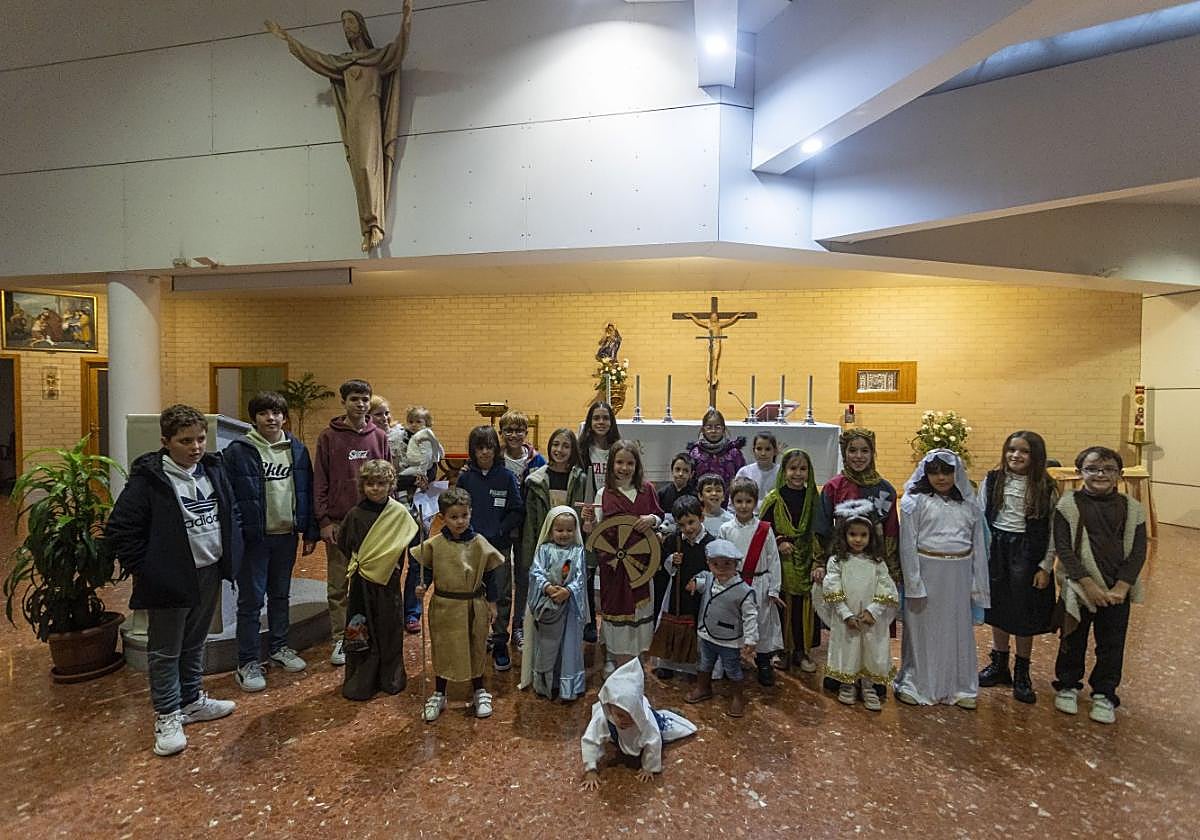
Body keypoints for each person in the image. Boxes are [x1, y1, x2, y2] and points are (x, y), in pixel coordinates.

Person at [105, 404, 243, 757]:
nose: (196, 447)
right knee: (166, 649)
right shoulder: (149, 480)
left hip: (208, 569)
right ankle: (167, 715)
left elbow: (230, 509)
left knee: (195, 641)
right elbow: (121, 529)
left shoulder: (213, 468)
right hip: (170, 576)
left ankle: (191, 700)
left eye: (200, 439)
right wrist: (148, 568)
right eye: (186, 441)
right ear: (166, 441)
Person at [265, 3, 414, 251]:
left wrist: (407, 18)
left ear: (361, 26)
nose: (347, 27)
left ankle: (376, 224)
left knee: (368, 167)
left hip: (370, 117)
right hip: (353, 117)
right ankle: (366, 227)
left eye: (351, 21)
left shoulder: (377, 58)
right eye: (344, 23)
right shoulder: (342, 62)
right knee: (358, 169)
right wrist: (287, 39)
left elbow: (400, 47)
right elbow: (315, 59)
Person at [225, 391, 319, 692]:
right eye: (264, 413)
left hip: (286, 535)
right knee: (251, 601)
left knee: (280, 596)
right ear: (254, 418)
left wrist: (309, 531)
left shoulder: (297, 449)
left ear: (284, 417)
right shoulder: (238, 451)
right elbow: (229, 497)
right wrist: (238, 534)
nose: (271, 418)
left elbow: (307, 490)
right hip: (255, 539)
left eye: (276, 412)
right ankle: (247, 662)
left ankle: (279, 647)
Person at [1051, 446, 1148, 725]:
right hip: (1079, 587)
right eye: (1092, 469)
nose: (1100, 474)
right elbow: (1064, 549)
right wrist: (1088, 585)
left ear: (1120, 474)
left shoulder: (1132, 508)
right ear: (1079, 472)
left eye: (1108, 469)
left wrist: (1122, 587)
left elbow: (1138, 551)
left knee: (1111, 644)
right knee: (1072, 639)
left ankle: (1105, 693)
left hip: (1116, 591)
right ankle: (1067, 685)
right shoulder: (1068, 505)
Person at [893, 449, 989, 709]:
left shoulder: (969, 505)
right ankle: (916, 683)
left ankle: (959, 686)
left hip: (959, 575)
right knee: (922, 631)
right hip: (926, 572)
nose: (941, 478)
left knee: (957, 630)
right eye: (934, 472)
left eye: (947, 472)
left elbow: (979, 546)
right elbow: (907, 545)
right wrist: (913, 583)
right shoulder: (915, 502)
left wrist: (977, 583)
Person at [977, 431, 1057, 704]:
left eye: (1024, 451)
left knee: (1024, 613)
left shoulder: (1046, 487)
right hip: (997, 549)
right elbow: (980, 518)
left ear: (1036, 456)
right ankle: (1000, 663)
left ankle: (1022, 670)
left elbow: (1053, 531)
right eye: (1011, 449)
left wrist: (1045, 566)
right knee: (998, 608)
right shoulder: (992, 480)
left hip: (1028, 553)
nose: (1016, 455)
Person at [314, 379, 390, 666]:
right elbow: (320, 480)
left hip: (374, 524)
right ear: (343, 402)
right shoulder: (328, 437)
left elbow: (389, 477)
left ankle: (370, 635)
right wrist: (324, 520)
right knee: (339, 586)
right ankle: (340, 639)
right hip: (339, 523)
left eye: (365, 399)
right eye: (354, 399)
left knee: (371, 583)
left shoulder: (379, 437)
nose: (360, 404)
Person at [415, 487, 505, 722]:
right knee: (443, 647)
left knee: (476, 646)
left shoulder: (479, 543)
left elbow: (490, 575)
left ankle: (479, 689)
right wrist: (420, 587)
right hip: (444, 606)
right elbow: (425, 571)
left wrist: (492, 603)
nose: (460, 521)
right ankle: (439, 692)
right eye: (454, 517)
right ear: (442, 517)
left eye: (464, 515)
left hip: (473, 604)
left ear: (471, 513)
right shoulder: (434, 544)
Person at [338, 460, 419, 700]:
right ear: (363, 486)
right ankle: (361, 681)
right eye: (370, 484)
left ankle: (390, 678)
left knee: (389, 628)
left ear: (390, 485)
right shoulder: (355, 515)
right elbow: (345, 543)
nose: (375, 488)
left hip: (388, 582)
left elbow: (409, 543)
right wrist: (368, 562)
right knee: (361, 627)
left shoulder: (399, 514)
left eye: (381, 483)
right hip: (362, 582)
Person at [583, 439, 663, 674]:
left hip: (641, 565)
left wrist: (652, 519)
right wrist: (588, 520)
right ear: (611, 464)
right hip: (614, 567)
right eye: (619, 462)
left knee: (639, 611)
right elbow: (594, 532)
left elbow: (661, 517)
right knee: (615, 609)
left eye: (630, 463)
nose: (624, 468)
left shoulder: (647, 490)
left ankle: (636, 658)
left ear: (637, 465)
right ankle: (613, 654)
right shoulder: (603, 494)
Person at [816, 500, 899, 711]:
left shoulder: (877, 562)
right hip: (847, 618)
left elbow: (886, 587)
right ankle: (848, 684)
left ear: (871, 536)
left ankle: (869, 686)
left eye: (863, 535)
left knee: (871, 649)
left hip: (870, 619)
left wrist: (873, 611)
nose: (858, 539)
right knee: (848, 649)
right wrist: (845, 614)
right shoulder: (837, 562)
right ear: (843, 535)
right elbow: (832, 588)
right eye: (853, 534)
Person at [455, 425, 524, 671]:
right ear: (473, 451)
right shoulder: (465, 478)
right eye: (480, 448)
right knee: (473, 594)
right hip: (470, 548)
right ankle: (477, 637)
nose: (485, 452)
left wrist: (500, 530)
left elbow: (517, 510)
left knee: (502, 594)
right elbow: (456, 510)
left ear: (496, 449)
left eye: (489, 447)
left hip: (499, 548)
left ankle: (500, 641)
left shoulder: (506, 477)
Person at [580, 658, 696, 790]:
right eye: (620, 715)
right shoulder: (603, 717)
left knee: (668, 730)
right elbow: (590, 740)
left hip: (646, 730)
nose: (625, 720)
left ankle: (673, 714)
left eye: (632, 715)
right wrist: (591, 770)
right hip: (617, 735)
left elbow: (654, 742)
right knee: (608, 732)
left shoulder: (646, 721)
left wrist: (649, 768)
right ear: (609, 708)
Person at [519, 428, 587, 647]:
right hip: (545, 548)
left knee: (567, 598)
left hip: (570, 548)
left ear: (573, 450)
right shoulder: (536, 480)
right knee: (545, 598)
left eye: (566, 446)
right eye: (556, 444)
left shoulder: (580, 478)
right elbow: (530, 523)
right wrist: (530, 556)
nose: (560, 450)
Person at [368, 396, 429, 634]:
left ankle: (412, 612)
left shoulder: (411, 436)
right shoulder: (377, 441)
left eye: (387, 413)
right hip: (390, 510)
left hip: (417, 507)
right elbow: (386, 478)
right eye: (378, 414)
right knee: (392, 563)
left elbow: (430, 467)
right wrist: (408, 480)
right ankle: (390, 612)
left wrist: (425, 478)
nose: (384, 418)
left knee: (417, 561)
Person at [759, 448, 823, 672]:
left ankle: (801, 651)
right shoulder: (774, 499)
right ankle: (780, 649)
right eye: (792, 468)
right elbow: (763, 530)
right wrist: (779, 541)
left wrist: (817, 560)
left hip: (806, 560)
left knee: (802, 608)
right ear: (783, 471)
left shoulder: (813, 499)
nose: (798, 474)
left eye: (803, 469)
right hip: (782, 562)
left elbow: (820, 530)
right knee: (782, 605)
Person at [719, 478, 783, 686]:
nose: (744, 506)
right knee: (735, 623)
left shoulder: (764, 529)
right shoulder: (726, 529)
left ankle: (763, 662)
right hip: (735, 583)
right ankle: (733, 662)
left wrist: (774, 589)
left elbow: (774, 559)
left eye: (748, 501)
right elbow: (720, 558)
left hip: (760, 583)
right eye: (739, 501)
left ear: (755, 502)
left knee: (761, 624)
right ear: (732, 502)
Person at [519, 506, 587, 701]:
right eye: (559, 530)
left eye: (569, 530)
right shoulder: (544, 549)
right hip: (548, 605)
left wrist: (568, 591)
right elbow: (536, 572)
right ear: (550, 530)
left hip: (569, 608)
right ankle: (545, 684)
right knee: (547, 645)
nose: (564, 534)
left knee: (568, 645)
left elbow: (581, 576)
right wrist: (548, 588)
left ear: (575, 530)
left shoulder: (578, 551)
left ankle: (566, 686)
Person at [816, 429, 901, 585]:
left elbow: (891, 532)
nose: (859, 456)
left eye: (865, 451)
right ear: (844, 453)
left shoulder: (885, 490)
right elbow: (821, 527)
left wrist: (892, 569)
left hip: (875, 564)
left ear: (872, 453)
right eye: (853, 450)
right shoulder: (833, 487)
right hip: (841, 561)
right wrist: (819, 563)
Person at [685, 539, 759, 718]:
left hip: (730, 639)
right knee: (705, 663)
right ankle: (703, 687)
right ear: (709, 564)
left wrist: (751, 639)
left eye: (727, 564)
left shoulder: (744, 591)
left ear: (736, 565)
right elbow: (700, 583)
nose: (721, 569)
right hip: (707, 634)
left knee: (732, 667)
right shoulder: (709, 579)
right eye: (715, 564)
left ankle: (738, 697)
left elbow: (750, 616)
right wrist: (694, 583)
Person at [649, 495, 711, 680]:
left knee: (695, 628)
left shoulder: (710, 543)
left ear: (701, 517)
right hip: (676, 593)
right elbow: (663, 562)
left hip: (699, 597)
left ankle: (692, 667)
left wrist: (699, 583)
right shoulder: (673, 541)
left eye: (691, 522)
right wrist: (671, 560)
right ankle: (668, 664)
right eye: (682, 525)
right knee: (672, 625)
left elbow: (715, 572)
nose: (688, 529)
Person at [578, 401, 622, 643]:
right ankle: (588, 622)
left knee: (610, 566)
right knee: (588, 568)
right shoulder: (582, 449)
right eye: (596, 418)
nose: (601, 422)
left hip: (612, 513)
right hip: (589, 514)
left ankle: (610, 620)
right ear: (590, 421)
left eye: (605, 418)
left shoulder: (618, 448)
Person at [686, 409, 745, 503]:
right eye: (709, 427)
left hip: (728, 502)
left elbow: (741, 478)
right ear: (703, 429)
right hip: (701, 503)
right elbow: (689, 481)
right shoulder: (695, 453)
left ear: (723, 429)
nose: (713, 431)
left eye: (717, 427)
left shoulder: (734, 453)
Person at [733, 433, 779, 515]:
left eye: (768, 449)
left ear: (775, 451)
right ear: (753, 450)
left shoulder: (781, 472)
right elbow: (733, 499)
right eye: (759, 449)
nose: (763, 453)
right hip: (747, 516)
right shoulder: (744, 472)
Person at [657, 451, 697, 516]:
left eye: (686, 470)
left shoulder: (696, 495)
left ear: (691, 474)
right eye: (677, 469)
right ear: (672, 471)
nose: (680, 474)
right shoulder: (662, 493)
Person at [698, 472, 733, 537]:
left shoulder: (731, 519)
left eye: (718, 490)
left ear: (723, 496)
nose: (714, 493)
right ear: (700, 496)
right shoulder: (697, 520)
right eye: (708, 491)